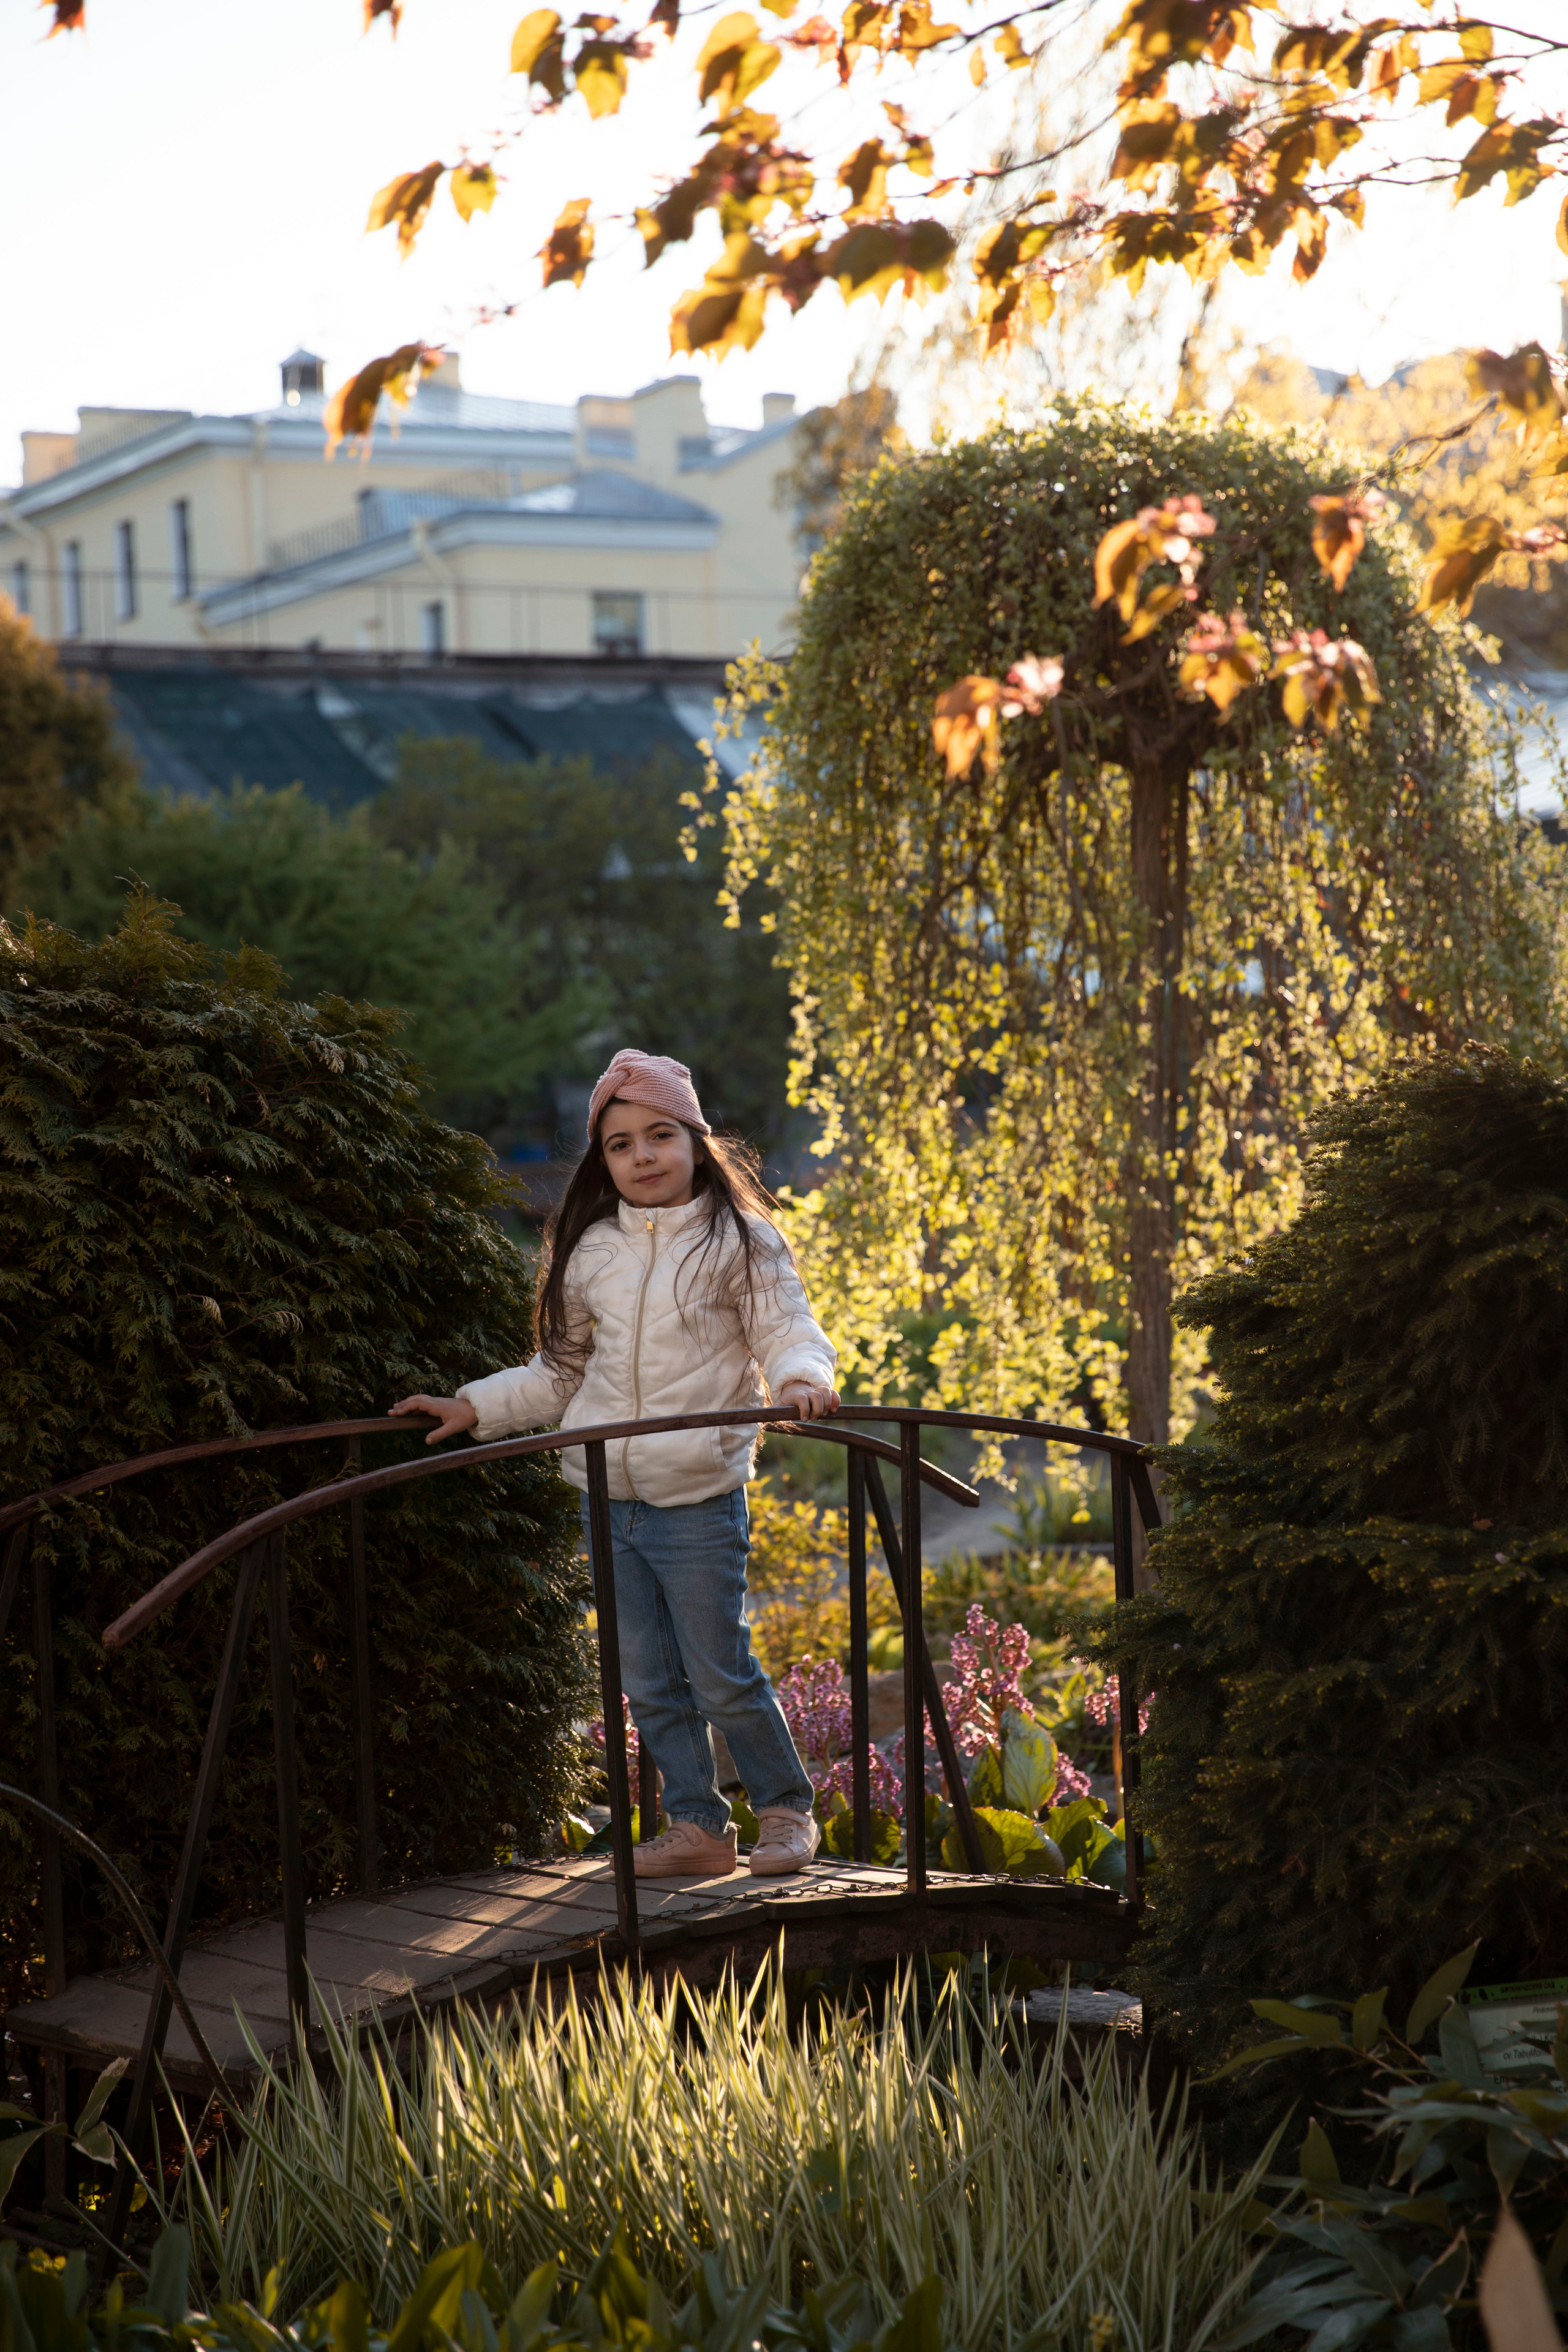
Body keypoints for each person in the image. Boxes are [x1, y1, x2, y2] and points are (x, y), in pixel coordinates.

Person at [391, 1048, 840, 1881]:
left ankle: (785, 1809)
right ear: (604, 1160)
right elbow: (559, 1374)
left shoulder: (740, 1240)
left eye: (660, 1135)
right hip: (608, 1498)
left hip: (699, 1497)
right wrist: (473, 1406)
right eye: (621, 1144)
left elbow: (786, 1328)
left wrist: (803, 1378)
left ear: (696, 1141)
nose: (642, 1156)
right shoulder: (590, 1247)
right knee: (647, 1678)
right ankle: (699, 1827)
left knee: (719, 1669)